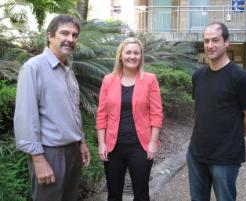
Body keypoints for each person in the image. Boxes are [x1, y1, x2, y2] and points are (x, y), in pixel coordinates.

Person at [14, 14, 90, 201]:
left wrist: (81, 141)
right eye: (64, 33)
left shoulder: (68, 70)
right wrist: (38, 160)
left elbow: (72, 110)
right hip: (50, 153)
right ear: (50, 36)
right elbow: (25, 116)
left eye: (74, 35)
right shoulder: (34, 68)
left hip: (72, 151)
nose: (70, 39)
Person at [187, 22, 246, 201]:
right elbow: (200, 112)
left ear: (226, 42)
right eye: (206, 41)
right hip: (196, 154)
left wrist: (233, 137)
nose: (210, 45)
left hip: (225, 157)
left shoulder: (241, 77)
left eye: (215, 40)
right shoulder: (198, 76)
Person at [96, 37, 163, 201]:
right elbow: (101, 114)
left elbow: (156, 113)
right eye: (128, 52)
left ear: (141, 56)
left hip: (140, 147)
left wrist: (153, 142)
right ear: (120, 55)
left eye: (136, 53)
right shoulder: (108, 80)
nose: (132, 56)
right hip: (113, 147)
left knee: (141, 194)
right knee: (114, 194)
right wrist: (102, 143)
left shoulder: (149, 80)